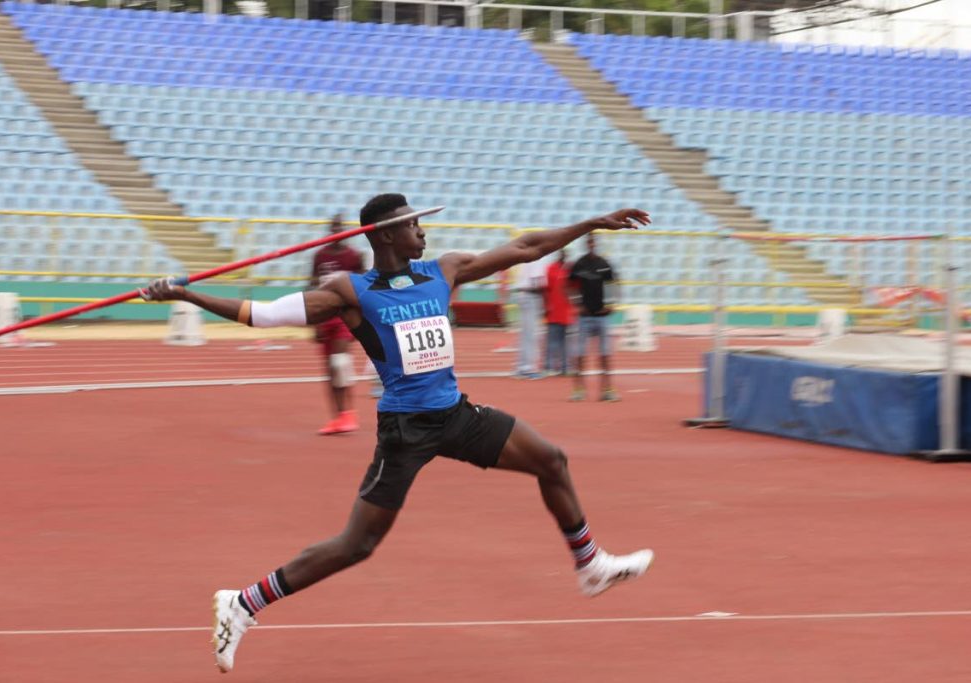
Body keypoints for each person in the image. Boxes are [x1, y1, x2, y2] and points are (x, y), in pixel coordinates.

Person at [142, 195, 654, 674]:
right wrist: (186, 294)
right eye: (413, 224)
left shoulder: (443, 271)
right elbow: (264, 315)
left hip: (454, 414)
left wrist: (589, 223)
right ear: (386, 235)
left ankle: (591, 566)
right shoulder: (351, 292)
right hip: (404, 432)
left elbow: (526, 248)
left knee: (551, 460)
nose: (422, 232)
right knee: (357, 545)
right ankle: (243, 603)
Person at [309, 214, 365, 435]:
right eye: (334, 227)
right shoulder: (319, 256)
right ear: (330, 230)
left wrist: (361, 320)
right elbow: (312, 285)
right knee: (330, 369)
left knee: (339, 362)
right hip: (324, 314)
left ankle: (348, 412)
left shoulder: (355, 256)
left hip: (345, 315)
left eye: (340, 227)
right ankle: (338, 416)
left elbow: (364, 288)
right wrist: (314, 321)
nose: (337, 231)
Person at [569, 233, 619, 402]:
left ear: (596, 244)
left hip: (601, 316)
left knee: (605, 355)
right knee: (580, 354)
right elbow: (569, 285)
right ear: (586, 244)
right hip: (585, 316)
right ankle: (578, 389)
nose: (591, 244)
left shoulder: (604, 264)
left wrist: (612, 304)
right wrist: (576, 303)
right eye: (588, 241)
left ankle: (607, 389)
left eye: (593, 241)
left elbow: (613, 284)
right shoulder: (579, 263)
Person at [512, 254, 550, 379]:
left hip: (524, 294)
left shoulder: (531, 256)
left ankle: (522, 366)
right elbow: (537, 282)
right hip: (531, 295)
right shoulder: (539, 257)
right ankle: (528, 368)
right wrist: (546, 302)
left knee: (526, 334)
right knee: (532, 334)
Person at [543, 249, 575, 376]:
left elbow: (575, 288)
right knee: (552, 340)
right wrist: (546, 306)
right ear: (558, 254)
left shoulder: (570, 269)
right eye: (562, 253)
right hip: (553, 310)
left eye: (565, 254)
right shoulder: (550, 268)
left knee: (566, 342)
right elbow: (546, 289)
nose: (563, 256)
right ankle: (549, 366)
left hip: (567, 311)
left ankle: (565, 367)